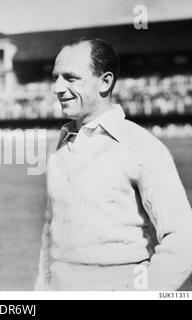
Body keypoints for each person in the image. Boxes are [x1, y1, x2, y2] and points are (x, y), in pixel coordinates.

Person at [35, 38, 192, 291]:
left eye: (70, 78)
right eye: (55, 77)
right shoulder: (57, 148)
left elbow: (184, 240)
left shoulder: (142, 146)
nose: (57, 88)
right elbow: (50, 232)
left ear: (105, 82)